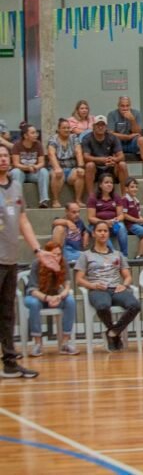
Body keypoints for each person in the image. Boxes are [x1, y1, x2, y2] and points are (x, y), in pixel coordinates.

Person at [1, 146, 50, 378]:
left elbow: (23, 221)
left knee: (7, 313)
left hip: (10, 259)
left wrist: (38, 250)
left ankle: (10, 363)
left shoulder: (16, 186)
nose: (1, 159)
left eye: (4, 156)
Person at [74, 220, 140, 353]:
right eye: (99, 231)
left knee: (135, 305)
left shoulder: (117, 254)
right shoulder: (86, 255)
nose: (103, 233)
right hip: (97, 289)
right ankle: (114, 333)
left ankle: (113, 332)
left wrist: (124, 285)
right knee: (103, 306)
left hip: (116, 288)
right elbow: (79, 280)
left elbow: (127, 276)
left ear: (109, 234)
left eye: (105, 231)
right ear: (93, 234)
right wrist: (92, 285)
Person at [24, 240, 78, 356]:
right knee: (34, 303)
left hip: (54, 297)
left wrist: (59, 296)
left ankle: (65, 343)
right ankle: (38, 344)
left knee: (70, 301)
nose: (57, 257)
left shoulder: (63, 263)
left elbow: (67, 286)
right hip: (37, 297)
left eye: (59, 254)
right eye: (54, 254)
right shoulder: (37, 264)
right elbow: (32, 290)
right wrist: (47, 298)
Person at [80, 115, 128, 196]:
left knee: (122, 164)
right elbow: (86, 157)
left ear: (106, 127)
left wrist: (113, 159)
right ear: (93, 126)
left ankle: (125, 196)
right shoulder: (87, 138)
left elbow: (121, 156)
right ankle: (91, 197)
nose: (100, 127)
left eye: (102, 125)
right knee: (89, 165)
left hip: (110, 167)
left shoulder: (113, 138)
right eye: (98, 125)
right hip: (95, 169)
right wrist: (101, 160)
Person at [106, 96, 143, 179]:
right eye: (122, 106)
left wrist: (132, 120)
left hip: (132, 142)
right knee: (112, 144)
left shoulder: (136, 113)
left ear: (130, 106)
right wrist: (127, 137)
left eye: (127, 106)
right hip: (118, 143)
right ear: (118, 106)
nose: (125, 108)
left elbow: (138, 132)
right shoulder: (112, 115)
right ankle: (116, 175)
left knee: (142, 139)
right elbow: (111, 134)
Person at [86, 173, 129, 256]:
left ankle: (124, 256)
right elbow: (91, 218)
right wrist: (104, 222)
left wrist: (114, 220)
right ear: (100, 185)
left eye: (111, 183)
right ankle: (113, 256)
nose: (109, 185)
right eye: (106, 182)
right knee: (104, 232)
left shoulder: (116, 197)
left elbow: (121, 215)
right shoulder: (93, 197)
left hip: (113, 224)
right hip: (97, 226)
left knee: (122, 227)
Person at [11, 123, 51, 208]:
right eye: (32, 133)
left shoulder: (38, 144)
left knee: (44, 171)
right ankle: (20, 202)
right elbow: (16, 163)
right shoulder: (17, 145)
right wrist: (27, 167)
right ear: (25, 135)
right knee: (15, 172)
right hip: (21, 173)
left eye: (36, 132)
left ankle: (43, 201)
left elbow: (42, 162)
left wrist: (36, 167)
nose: (36, 135)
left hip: (33, 173)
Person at [48, 118, 85, 206]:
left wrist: (80, 166)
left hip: (71, 168)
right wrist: (57, 168)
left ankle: (78, 200)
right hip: (58, 167)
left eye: (68, 128)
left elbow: (78, 152)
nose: (66, 130)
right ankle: (55, 200)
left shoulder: (74, 138)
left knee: (80, 173)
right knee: (56, 174)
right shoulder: (53, 139)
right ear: (58, 129)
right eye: (64, 128)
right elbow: (51, 154)